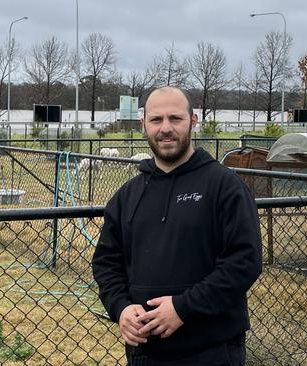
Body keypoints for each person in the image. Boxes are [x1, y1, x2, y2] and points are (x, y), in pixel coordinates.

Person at [92, 86, 262, 365]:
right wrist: (121, 308)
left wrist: (183, 308)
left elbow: (244, 261)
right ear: (143, 124)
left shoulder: (224, 186)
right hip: (145, 353)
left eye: (176, 118)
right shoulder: (127, 196)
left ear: (193, 121)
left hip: (212, 351)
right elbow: (106, 263)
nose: (166, 128)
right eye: (156, 120)